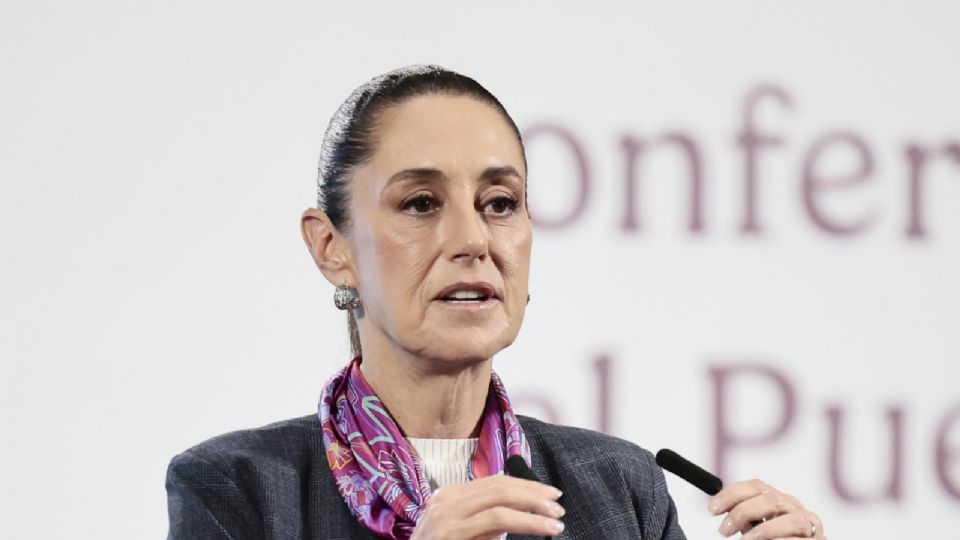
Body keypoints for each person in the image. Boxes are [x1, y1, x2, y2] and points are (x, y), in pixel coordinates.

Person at [166, 65, 826, 540]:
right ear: (332, 246)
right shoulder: (237, 491)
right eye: (421, 204)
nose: (473, 239)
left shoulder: (620, 493)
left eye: (499, 205)